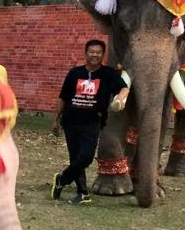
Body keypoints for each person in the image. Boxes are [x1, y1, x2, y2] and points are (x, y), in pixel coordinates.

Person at [50, 39, 129, 205]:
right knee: (75, 157)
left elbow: (124, 87)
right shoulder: (74, 73)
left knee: (85, 157)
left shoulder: (108, 74)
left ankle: (62, 180)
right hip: (70, 120)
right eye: (92, 52)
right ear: (86, 53)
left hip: (92, 121)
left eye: (98, 52)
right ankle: (83, 193)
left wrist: (120, 99)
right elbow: (63, 97)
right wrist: (55, 120)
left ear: (102, 55)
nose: (95, 55)